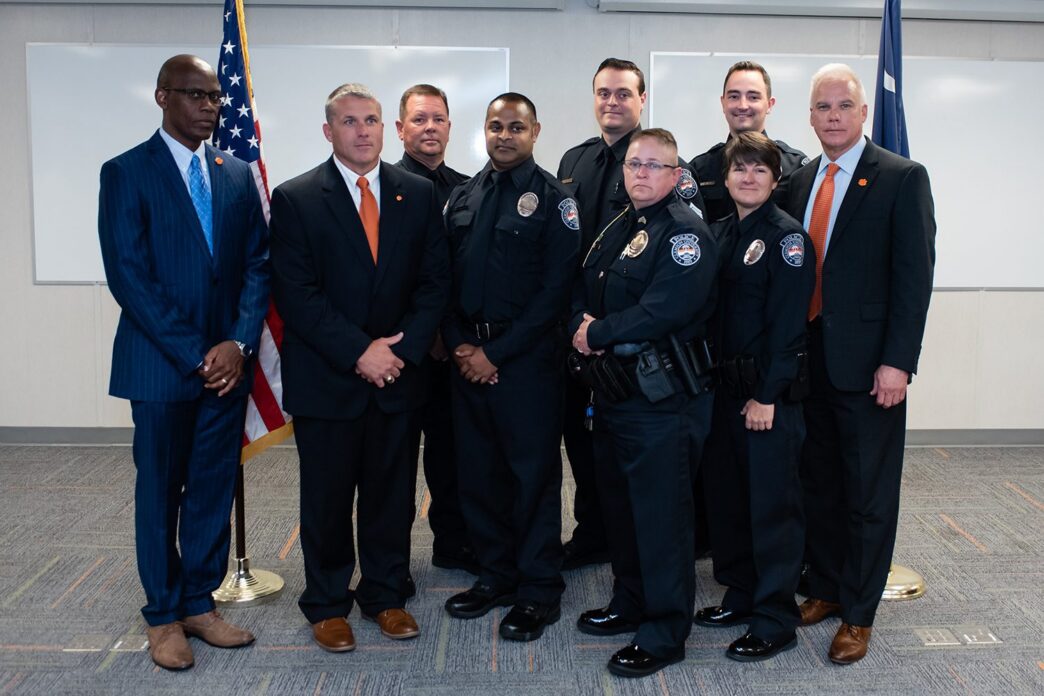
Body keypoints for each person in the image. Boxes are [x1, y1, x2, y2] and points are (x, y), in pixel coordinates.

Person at [97, 54, 268, 670]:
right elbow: (130, 278)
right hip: (162, 368)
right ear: (162, 97)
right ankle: (163, 616)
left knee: (211, 489)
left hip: (228, 367)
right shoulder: (125, 172)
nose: (209, 107)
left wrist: (239, 344)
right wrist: (199, 355)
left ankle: (200, 602)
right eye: (195, 96)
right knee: (161, 492)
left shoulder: (234, 173)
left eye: (216, 98)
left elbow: (255, 265)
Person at [269, 83, 449, 653]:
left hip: (397, 377)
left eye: (371, 120)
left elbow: (434, 283)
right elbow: (297, 295)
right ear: (329, 131)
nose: (363, 131)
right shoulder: (296, 198)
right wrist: (359, 352)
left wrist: (398, 352)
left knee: (391, 495)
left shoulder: (416, 194)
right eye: (350, 122)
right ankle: (326, 603)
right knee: (325, 499)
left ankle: (385, 595)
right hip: (329, 380)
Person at [786, 64, 936, 665]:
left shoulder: (901, 178)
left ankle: (860, 612)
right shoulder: (796, 182)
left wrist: (898, 363)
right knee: (818, 482)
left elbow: (913, 279)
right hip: (809, 362)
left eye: (844, 105)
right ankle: (823, 586)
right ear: (811, 115)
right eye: (822, 107)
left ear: (863, 111)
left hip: (871, 367)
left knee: (868, 493)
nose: (833, 116)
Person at [570, 128, 718, 677]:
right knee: (622, 511)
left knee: (661, 518)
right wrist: (580, 326)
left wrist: (596, 331)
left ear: (677, 176)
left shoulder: (685, 234)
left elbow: (664, 310)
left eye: (654, 166)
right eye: (634, 164)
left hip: (662, 402)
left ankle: (663, 631)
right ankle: (629, 601)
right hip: (614, 396)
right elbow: (582, 285)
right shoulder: (619, 226)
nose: (641, 174)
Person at [556, 58, 705, 571]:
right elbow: (569, 251)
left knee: (650, 485)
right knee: (588, 448)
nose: (612, 101)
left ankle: (647, 577)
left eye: (624, 93)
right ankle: (595, 534)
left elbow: (671, 291)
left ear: (642, 100)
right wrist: (579, 325)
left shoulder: (664, 165)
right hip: (584, 338)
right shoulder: (574, 160)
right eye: (603, 92)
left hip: (635, 349)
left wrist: (600, 330)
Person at [442, 93, 579, 642]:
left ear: (535, 131)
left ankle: (539, 590)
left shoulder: (554, 199)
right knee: (478, 475)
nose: (504, 135)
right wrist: (459, 346)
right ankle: (495, 574)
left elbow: (556, 291)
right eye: (496, 126)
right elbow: (442, 279)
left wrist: (496, 355)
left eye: (515, 127)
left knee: (531, 480)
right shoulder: (462, 196)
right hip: (467, 360)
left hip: (526, 366)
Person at [693, 132, 815, 662]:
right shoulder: (715, 233)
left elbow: (790, 328)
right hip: (722, 393)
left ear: (774, 178)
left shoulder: (789, 239)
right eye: (739, 169)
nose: (748, 177)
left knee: (772, 510)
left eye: (759, 170)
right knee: (728, 503)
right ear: (725, 178)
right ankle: (740, 593)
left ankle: (774, 618)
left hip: (768, 400)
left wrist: (768, 395)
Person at [394, 84, 478, 585]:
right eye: (419, 119)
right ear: (400, 129)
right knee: (395, 466)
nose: (430, 128)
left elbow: (463, 274)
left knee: (453, 457)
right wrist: (422, 335)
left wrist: (455, 337)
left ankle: (453, 544)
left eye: (439, 119)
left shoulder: (469, 189)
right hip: (402, 352)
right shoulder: (380, 185)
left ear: (449, 127)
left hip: (454, 352)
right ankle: (392, 564)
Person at [690, 61, 808, 224]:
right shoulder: (699, 169)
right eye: (734, 96)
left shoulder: (796, 169)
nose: (742, 105)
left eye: (753, 97)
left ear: (769, 104)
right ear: (723, 103)